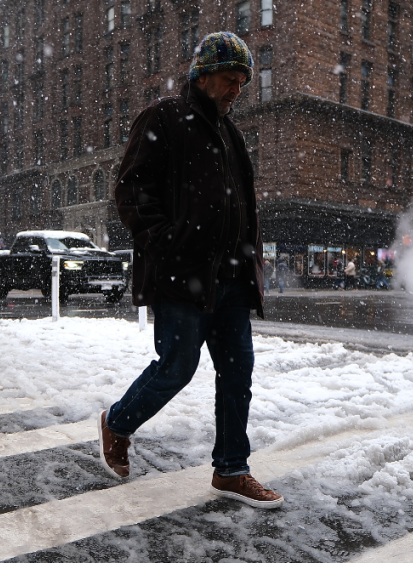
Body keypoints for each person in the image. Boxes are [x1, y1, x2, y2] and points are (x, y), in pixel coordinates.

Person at [100, 31, 283, 509]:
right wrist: (166, 245)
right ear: (202, 76)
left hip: (232, 279)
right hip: (182, 277)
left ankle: (232, 469)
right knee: (177, 369)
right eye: (228, 79)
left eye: (242, 82)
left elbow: (242, 203)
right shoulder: (165, 117)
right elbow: (131, 191)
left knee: (237, 372)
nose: (236, 90)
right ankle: (117, 423)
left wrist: (251, 260)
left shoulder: (232, 132)